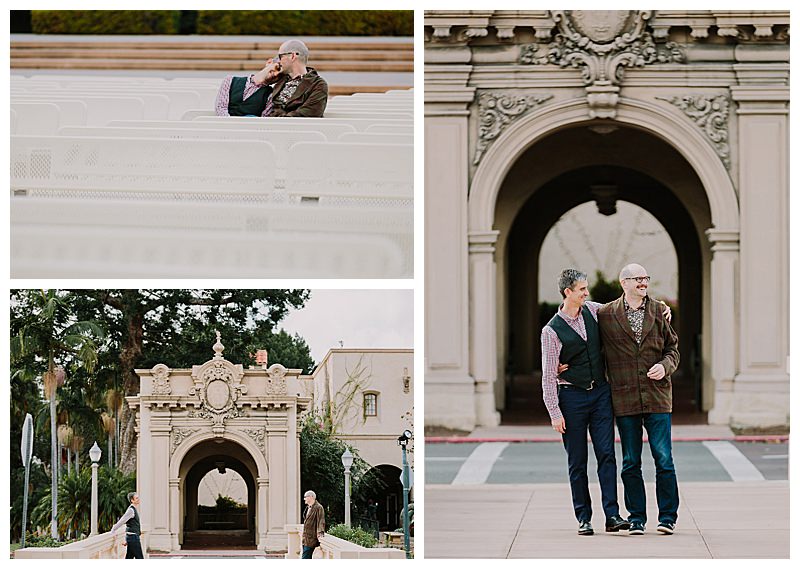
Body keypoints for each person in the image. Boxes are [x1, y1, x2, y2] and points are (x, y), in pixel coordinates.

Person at [541, 268, 630, 536]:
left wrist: (660, 309)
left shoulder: (592, 311)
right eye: (582, 289)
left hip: (601, 393)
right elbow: (547, 376)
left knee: (607, 455)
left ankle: (612, 515)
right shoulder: (551, 331)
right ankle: (584, 517)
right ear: (568, 292)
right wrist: (555, 413)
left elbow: (620, 309)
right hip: (571, 397)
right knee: (577, 462)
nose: (586, 293)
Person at [597, 263, 680, 535]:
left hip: (657, 397)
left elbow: (673, 350)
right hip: (625, 398)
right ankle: (636, 518)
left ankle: (667, 517)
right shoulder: (607, 314)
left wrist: (665, 366)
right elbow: (578, 315)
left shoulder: (659, 310)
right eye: (638, 279)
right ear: (624, 283)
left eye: (646, 277)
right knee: (631, 462)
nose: (643, 283)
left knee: (664, 459)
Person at [215, 39, 328, 117]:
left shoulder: (317, 84)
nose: (278, 61)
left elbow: (308, 114)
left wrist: (276, 119)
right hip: (268, 128)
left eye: (280, 56)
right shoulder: (281, 81)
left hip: (293, 132)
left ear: (292, 56)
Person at [110, 492, 144, 559]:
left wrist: (127, 539)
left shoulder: (133, 509)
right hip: (133, 538)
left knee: (129, 557)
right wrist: (114, 529)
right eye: (136, 498)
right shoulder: (131, 510)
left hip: (132, 537)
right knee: (139, 558)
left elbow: (130, 525)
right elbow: (122, 521)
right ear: (132, 500)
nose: (138, 499)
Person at [301, 490, 325, 559]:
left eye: (305, 497)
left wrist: (320, 533)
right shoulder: (308, 508)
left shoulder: (318, 507)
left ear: (311, 497)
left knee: (305, 558)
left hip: (311, 539)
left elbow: (321, 521)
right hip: (305, 539)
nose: (304, 499)